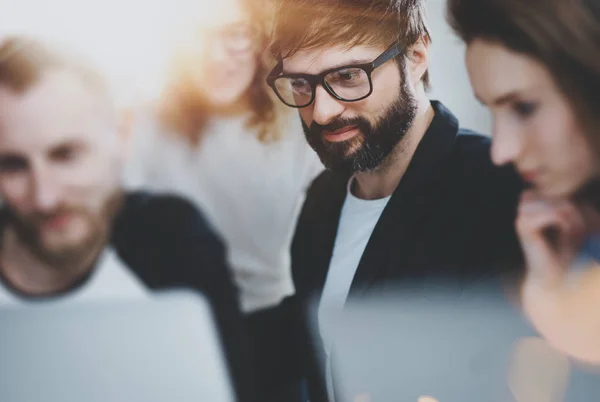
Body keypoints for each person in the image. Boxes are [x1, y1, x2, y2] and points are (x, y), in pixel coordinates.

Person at [249, 0, 525, 400]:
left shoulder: (500, 192)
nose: (321, 112)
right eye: (301, 84)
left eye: (347, 76)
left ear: (415, 57)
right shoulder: (320, 201)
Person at [0, 36, 254, 401]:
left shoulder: (172, 241)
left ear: (121, 134)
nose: (44, 197)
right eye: (12, 165)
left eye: (66, 154)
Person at [124, 0, 323, 313]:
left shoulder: (305, 120)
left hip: (279, 315)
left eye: (236, 32)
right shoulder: (145, 123)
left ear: (261, 38)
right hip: (180, 314)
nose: (215, 56)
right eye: (197, 35)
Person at [448, 0, 600, 364]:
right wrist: (554, 289)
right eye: (492, 110)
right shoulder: (574, 237)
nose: (501, 150)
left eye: (525, 108)